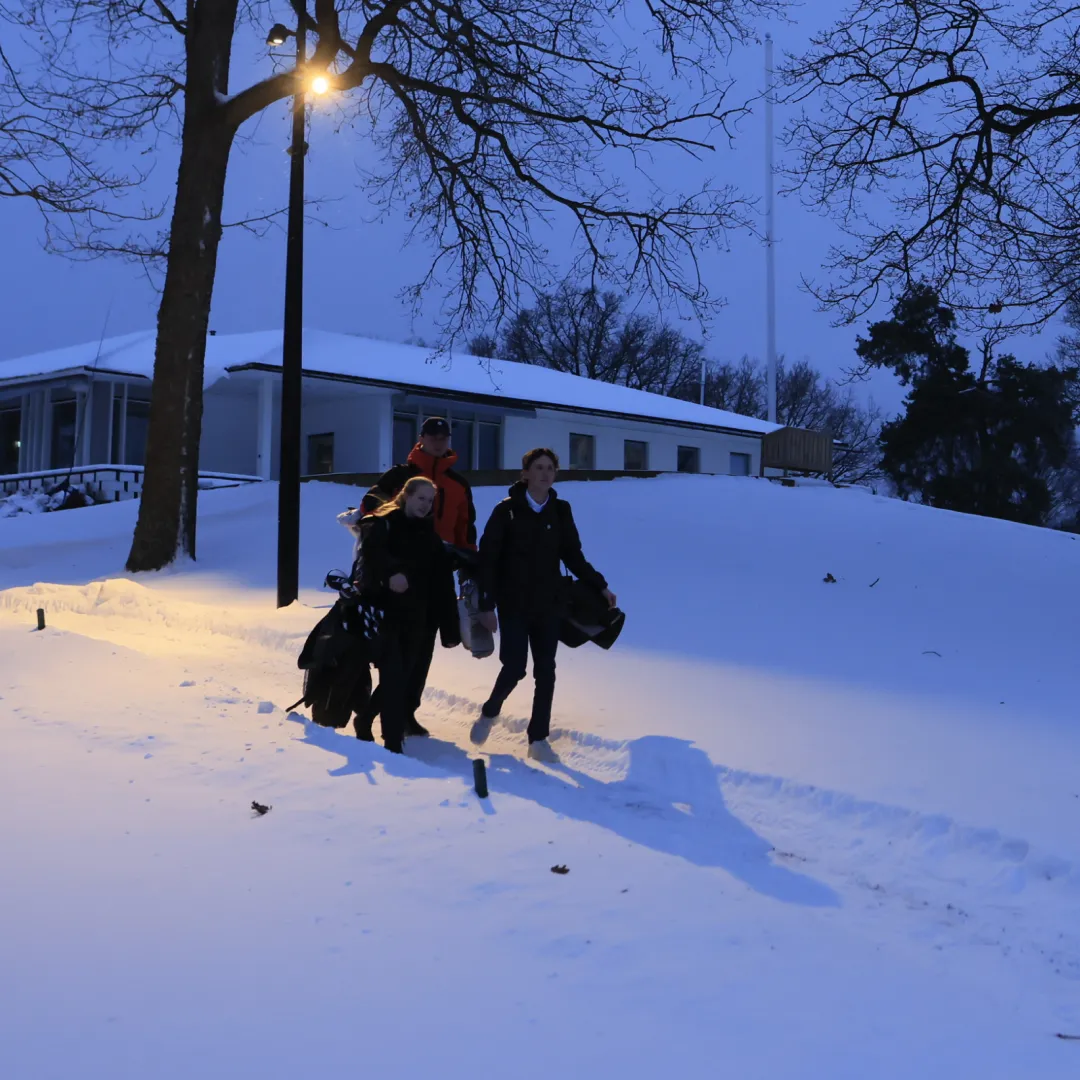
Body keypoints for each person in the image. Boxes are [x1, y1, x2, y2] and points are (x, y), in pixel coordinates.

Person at [473, 448, 616, 759]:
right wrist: (486, 605)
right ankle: (489, 711)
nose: (545, 473)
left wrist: (600, 585)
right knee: (514, 668)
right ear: (525, 473)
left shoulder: (561, 510)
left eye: (550, 468)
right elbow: (488, 561)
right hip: (513, 604)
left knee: (546, 671)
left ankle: (538, 739)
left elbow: (573, 556)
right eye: (538, 467)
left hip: (549, 603)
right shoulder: (506, 511)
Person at [358, 416, 478, 737]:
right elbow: (370, 505)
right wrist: (390, 541)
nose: (439, 440)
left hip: (435, 578)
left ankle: (406, 712)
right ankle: (376, 713)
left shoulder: (458, 484)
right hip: (394, 577)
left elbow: (466, 529)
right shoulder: (401, 476)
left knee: (422, 651)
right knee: (393, 651)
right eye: (432, 435)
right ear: (421, 437)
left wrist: (466, 561)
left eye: (444, 435)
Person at [358, 475, 459, 753]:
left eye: (430, 500)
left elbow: (442, 584)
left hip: (418, 618)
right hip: (385, 613)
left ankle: (365, 719)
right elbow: (372, 553)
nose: (425, 505)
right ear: (406, 495)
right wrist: (391, 574)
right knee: (393, 675)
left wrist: (450, 629)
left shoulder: (429, 535)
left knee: (402, 677)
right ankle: (393, 744)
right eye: (420, 498)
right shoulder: (383, 521)